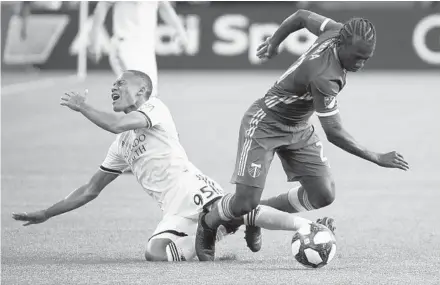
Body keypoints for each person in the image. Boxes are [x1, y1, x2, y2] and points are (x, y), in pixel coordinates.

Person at [12, 70, 318, 261]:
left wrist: (82, 106)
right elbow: (90, 190)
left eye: (122, 82)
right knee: (154, 253)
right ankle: (231, 225)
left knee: (234, 208)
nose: (114, 87)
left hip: (194, 188)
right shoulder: (121, 147)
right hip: (174, 210)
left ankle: (305, 226)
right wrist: (47, 213)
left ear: (143, 91)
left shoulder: (155, 108)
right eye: (113, 83)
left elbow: (116, 124)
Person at [195, 9, 410, 261]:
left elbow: (301, 16)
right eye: (357, 57)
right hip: (264, 124)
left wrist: (274, 42)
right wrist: (376, 157)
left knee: (323, 194)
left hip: (298, 126)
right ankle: (209, 223)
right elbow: (334, 132)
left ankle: (256, 215)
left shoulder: (336, 30)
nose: (361, 65)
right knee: (244, 203)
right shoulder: (324, 76)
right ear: (342, 45)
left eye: (366, 58)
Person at [88, 1, 189, 97]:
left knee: (150, 97)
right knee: (138, 94)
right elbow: (102, 6)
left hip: (147, 49)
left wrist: (181, 31)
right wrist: (94, 41)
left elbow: (165, 8)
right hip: (125, 46)